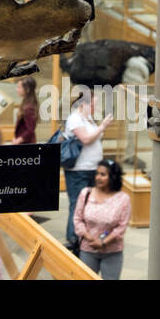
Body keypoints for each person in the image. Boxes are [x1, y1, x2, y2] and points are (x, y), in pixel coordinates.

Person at [64, 89, 112, 254]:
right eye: (93, 104)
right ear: (84, 103)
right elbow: (85, 139)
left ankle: (84, 239)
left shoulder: (88, 119)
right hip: (78, 170)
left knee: (89, 205)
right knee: (77, 204)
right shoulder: (74, 119)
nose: (95, 107)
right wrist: (103, 127)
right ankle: (73, 240)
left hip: (92, 169)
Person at [73, 160, 131, 279]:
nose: (98, 177)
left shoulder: (123, 199)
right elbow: (77, 219)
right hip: (87, 249)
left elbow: (122, 226)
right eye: (97, 174)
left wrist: (103, 242)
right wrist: (90, 238)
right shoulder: (86, 193)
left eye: (103, 175)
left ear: (113, 177)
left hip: (112, 252)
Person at [13, 76, 38, 144]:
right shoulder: (25, 104)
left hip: (27, 146)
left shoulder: (29, 107)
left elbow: (30, 130)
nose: (17, 89)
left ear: (27, 89)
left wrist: (18, 140)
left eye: (19, 87)